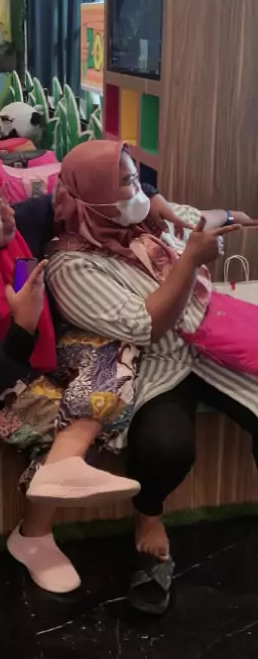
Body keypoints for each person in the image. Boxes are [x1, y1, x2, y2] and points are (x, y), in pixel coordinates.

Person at [0, 164, 144, 598]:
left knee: (117, 352)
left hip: (38, 355)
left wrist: (156, 202)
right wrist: (23, 325)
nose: (8, 213)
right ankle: (34, 535)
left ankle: (62, 465)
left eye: (2, 198)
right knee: (92, 420)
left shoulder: (17, 230)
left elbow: (80, 188)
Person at [46, 139, 258, 614]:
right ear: (93, 196)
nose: (139, 190)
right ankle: (148, 516)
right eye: (124, 182)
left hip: (211, 343)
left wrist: (231, 215)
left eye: (135, 177)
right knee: (167, 447)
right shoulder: (71, 264)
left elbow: (197, 217)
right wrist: (190, 261)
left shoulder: (149, 223)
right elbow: (147, 327)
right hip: (153, 362)